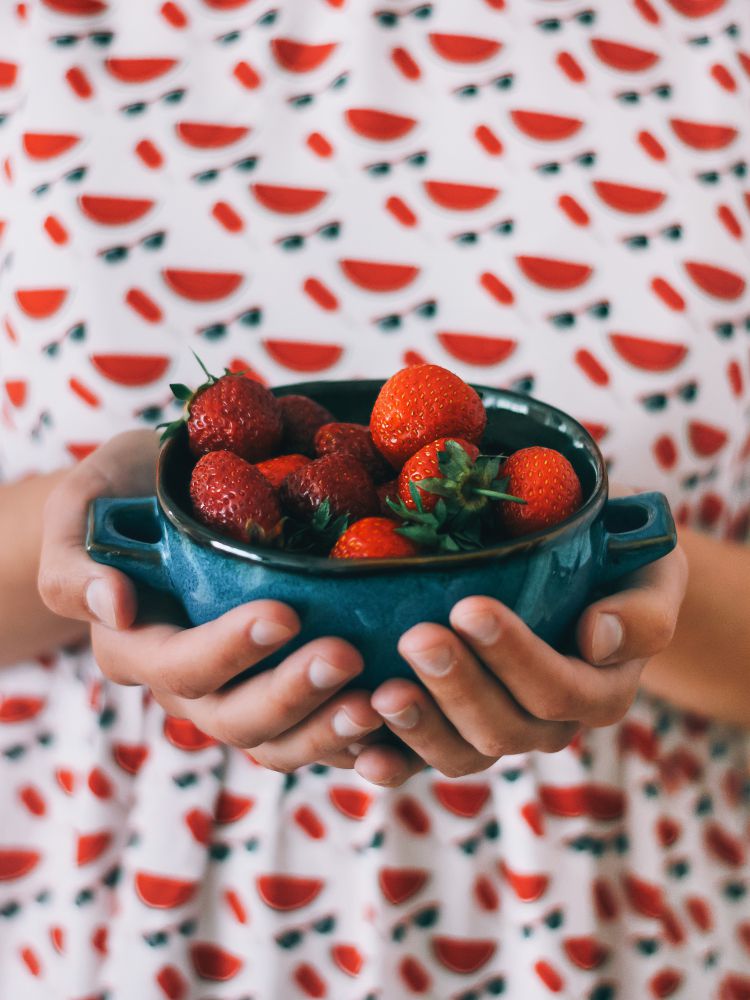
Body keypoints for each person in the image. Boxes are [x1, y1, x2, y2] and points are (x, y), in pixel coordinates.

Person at [1, 0, 749, 996]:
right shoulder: (38, 30)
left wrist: (605, 596)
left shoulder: (719, 40)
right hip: (120, 924)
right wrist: (104, 537)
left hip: (608, 925)